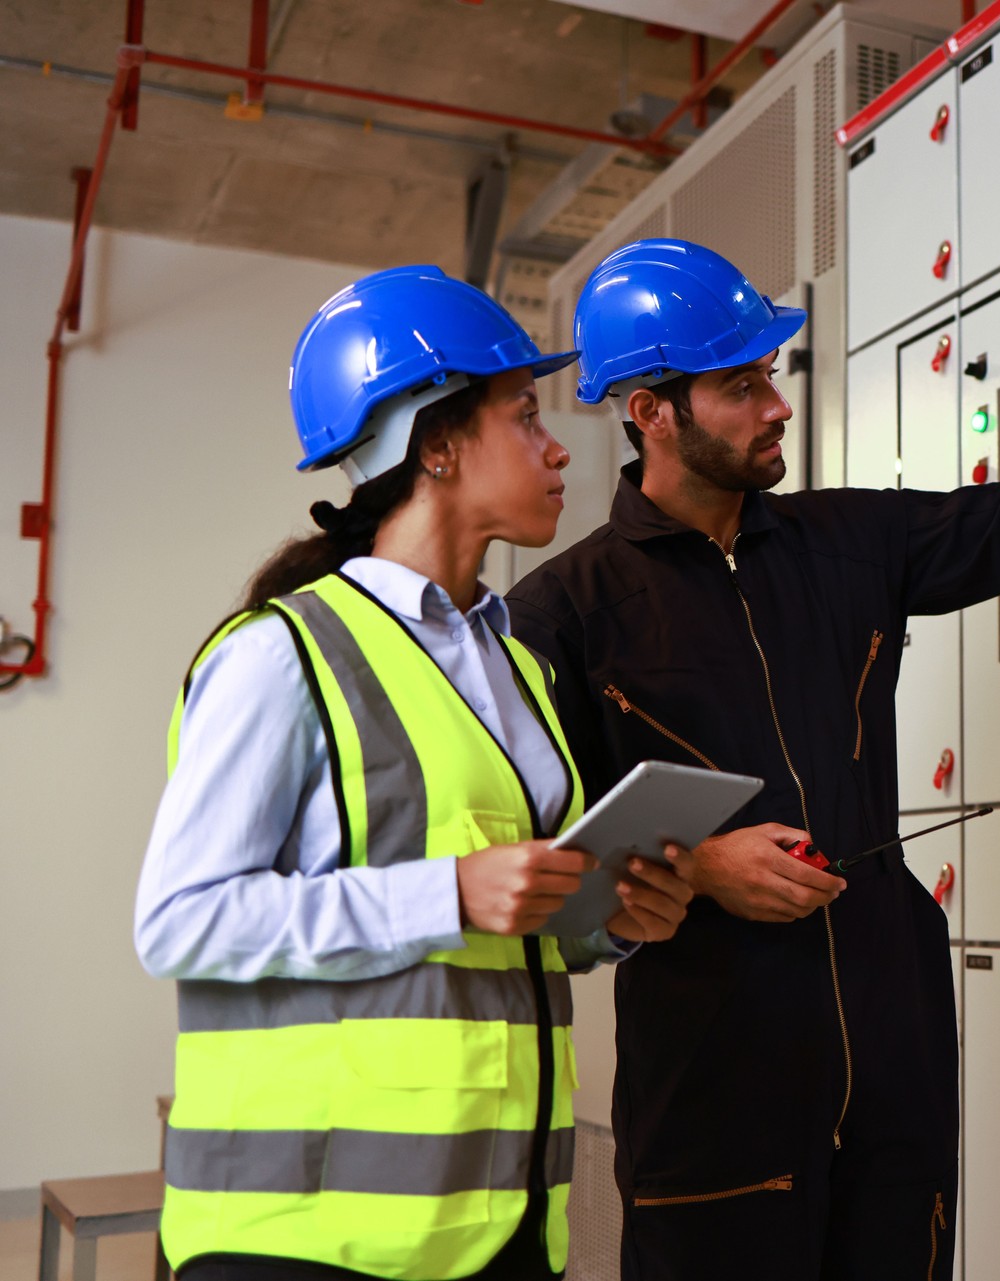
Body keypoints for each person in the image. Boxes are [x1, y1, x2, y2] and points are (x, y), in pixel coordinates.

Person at [505, 238, 1000, 1280]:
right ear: (650, 412)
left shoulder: (846, 540)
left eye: (771, 376)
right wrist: (702, 869)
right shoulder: (560, 616)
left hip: (890, 1037)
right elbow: (548, 870)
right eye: (741, 385)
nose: (775, 404)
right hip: (714, 1077)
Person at [134, 265, 695, 1281]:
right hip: (305, 1239)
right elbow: (180, 920)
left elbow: (502, 929)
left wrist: (608, 919)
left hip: (494, 1222)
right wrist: (450, 893)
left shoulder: (514, 661)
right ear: (436, 444)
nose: (559, 444)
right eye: (525, 416)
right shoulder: (279, 653)